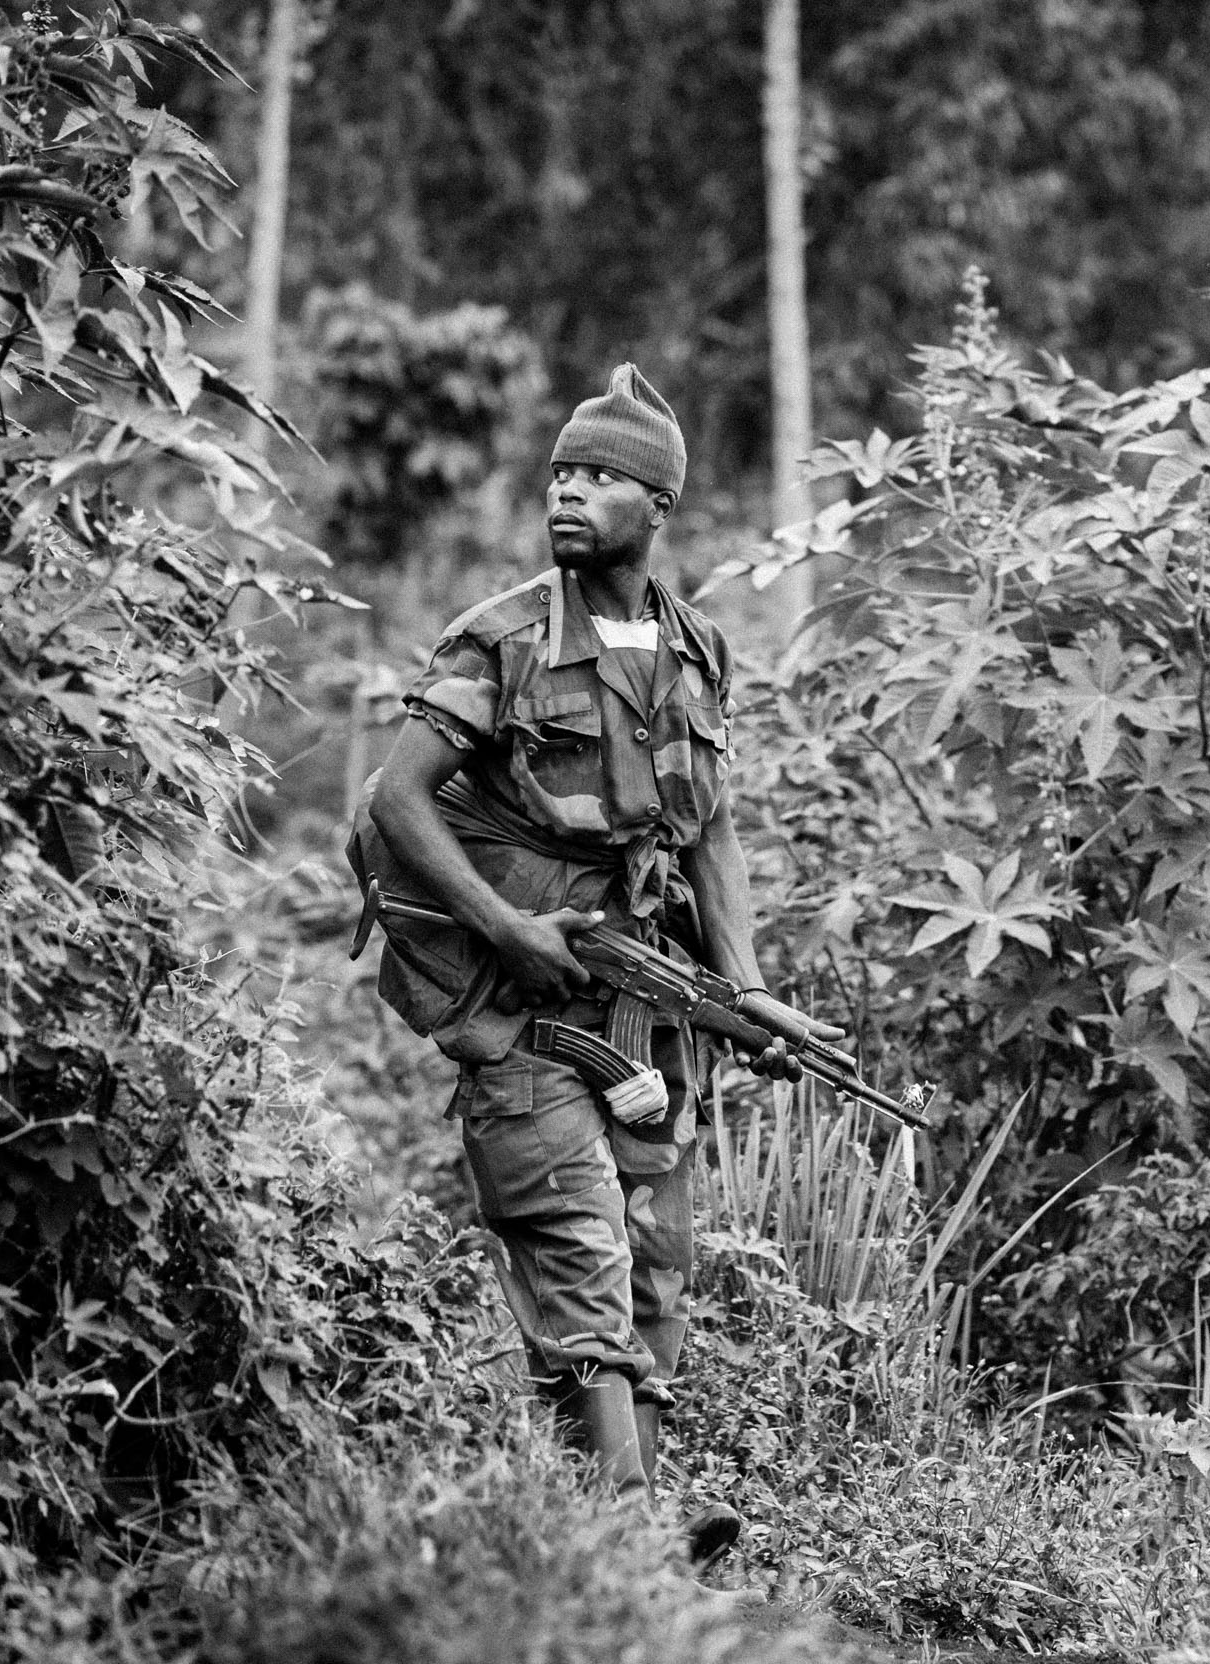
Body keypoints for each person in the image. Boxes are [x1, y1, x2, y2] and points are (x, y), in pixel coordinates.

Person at [356, 363, 807, 1563]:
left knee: (657, 1257)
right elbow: (398, 800)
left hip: (645, 1012)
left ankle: (622, 1532)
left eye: (601, 476)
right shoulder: (499, 637)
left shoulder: (697, 647)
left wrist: (743, 986)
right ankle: (632, 1538)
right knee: (573, 1237)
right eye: (561, 472)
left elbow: (707, 827)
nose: (570, 492)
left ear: (655, 505)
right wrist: (507, 930)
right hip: (522, 1006)